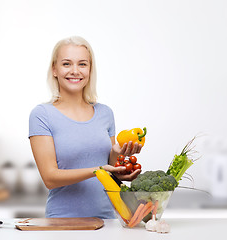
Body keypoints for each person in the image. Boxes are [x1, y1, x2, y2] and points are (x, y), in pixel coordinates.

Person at [29, 36, 142, 219]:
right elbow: (49, 178)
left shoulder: (105, 113)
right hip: (63, 222)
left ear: (90, 69)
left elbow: (109, 171)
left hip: (107, 219)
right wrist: (97, 170)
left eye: (82, 64)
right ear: (54, 69)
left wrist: (117, 156)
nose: (75, 71)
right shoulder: (42, 115)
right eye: (67, 64)